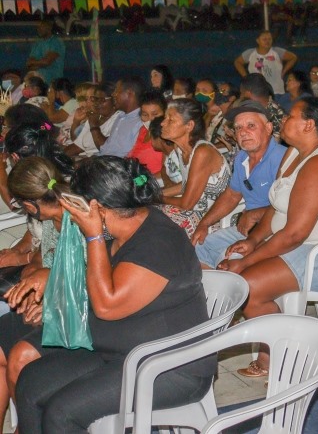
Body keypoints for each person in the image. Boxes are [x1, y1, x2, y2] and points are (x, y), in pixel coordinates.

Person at [15, 156, 216, 432]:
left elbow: (106, 306)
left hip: (168, 366)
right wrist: (54, 294)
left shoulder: (158, 244)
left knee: (62, 413)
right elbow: (94, 285)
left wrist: (93, 236)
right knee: (30, 383)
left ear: (96, 207)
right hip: (118, 352)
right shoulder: (123, 231)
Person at [217, 98, 318, 379]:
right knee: (241, 274)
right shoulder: (293, 154)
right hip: (310, 246)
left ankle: (284, 357)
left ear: (309, 125)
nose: (284, 120)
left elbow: (294, 234)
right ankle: (279, 350)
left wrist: (247, 261)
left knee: (248, 285)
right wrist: (254, 241)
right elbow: (278, 206)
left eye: (290, 116)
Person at [0, 158, 74, 427]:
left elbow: (87, 278)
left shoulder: (79, 220)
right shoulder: (53, 218)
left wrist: (50, 299)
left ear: (31, 206)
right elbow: (45, 259)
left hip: (77, 314)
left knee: (19, 356)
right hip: (54, 303)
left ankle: (26, 427)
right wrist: (36, 287)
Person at [192, 101, 287, 269]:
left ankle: (224, 279)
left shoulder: (283, 159)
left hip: (275, 232)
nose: (243, 132)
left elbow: (291, 208)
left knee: (229, 262)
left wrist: (254, 214)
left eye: (251, 126)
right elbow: (232, 195)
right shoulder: (241, 158)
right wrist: (204, 224)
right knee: (197, 246)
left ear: (268, 128)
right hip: (246, 229)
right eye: (238, 128)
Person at [159, 99, 231, 234]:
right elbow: (187, 185)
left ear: (189, 126)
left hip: (213, 217)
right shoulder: (181, 150)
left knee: (151, 218)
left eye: (170, 120)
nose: (162, 123)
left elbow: (187, 204)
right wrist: (156, 193)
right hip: (196, 210)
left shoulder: (202, 152)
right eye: (165, 118)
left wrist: (155, 198)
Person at [64, 82, 122, 158]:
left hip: (99, 160)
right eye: (95, 99)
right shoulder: (96, 116)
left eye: (101, 100)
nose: (96, 103)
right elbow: (78, 145)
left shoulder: (119, 120)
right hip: (84, 158)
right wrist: (59, 156)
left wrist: (94, 125)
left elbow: (106, 150)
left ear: (114, 101)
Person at [234, 30, 298, 95]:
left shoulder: (277, 51)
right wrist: (246, 77)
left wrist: (284, 71)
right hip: (257, 92)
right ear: (258, 41)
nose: (267, 41)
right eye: (264, 39)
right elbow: (237, 62)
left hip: (276, 91)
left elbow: (293, 57)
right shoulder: (250, 53)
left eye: (269, 39)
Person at [98, 76, 146, 158]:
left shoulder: (139, 122)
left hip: (116, 163)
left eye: (117, 91)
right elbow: (106, 149)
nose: (113, 94)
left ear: (129, 94)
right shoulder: (120, 116)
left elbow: (129, 156)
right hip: (102, 159)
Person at [126, 90, 167, 175]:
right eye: (145, 115)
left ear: (165, 113)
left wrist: (141, 181)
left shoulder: (166, 136)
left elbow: (167, 172)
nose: (150, 119)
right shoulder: (143, 130)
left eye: (155, 114)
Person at [238, 73, 285, 139]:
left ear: (247, 93)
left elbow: (271, 143)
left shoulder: (275, 115)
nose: (241, 97)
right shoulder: (257, 109)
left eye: (241, 93)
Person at [25, 19, 64, 85]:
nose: (38, 29)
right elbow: (29, 64)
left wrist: (35, 64)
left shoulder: (56, 42)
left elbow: (46, 62)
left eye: (41, 27)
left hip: (53, 82)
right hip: (38, 83)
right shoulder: (37, 43)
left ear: (49, 28)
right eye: (38, 27)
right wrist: (41, 63)